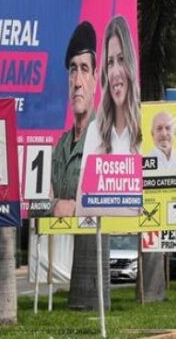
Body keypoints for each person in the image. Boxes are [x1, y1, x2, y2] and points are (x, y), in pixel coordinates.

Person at [42, 21, 97, 218]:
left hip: (92, 246)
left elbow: (116, 203)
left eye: (84, 69)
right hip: (55, 244)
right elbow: (35, 203)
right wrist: (57, 206)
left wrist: (77, 209)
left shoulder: (106, 140)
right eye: (73, 70)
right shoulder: (60, 146)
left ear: (95, 79)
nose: (77, 82)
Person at [82, 15, 141, 156]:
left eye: (121, 60)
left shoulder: (146, 128)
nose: (115, 72)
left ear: (131, 64)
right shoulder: (94, 131)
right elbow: (84, 179)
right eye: (110, 62)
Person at [146, 111, 176, 175]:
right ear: (152, 134)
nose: (164, 134)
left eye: (168, 128)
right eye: (159, 128)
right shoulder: (143, 161)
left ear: (175, 132)